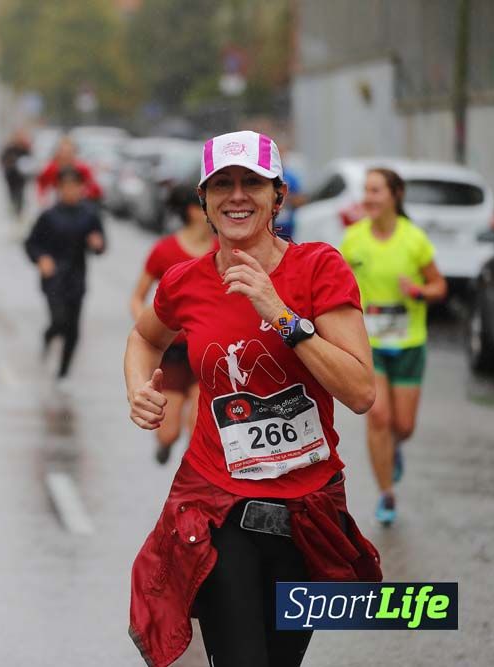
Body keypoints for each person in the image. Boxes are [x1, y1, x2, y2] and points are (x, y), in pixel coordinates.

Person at [124, 131, 382, 667]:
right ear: (204, 201)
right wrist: (137, 389)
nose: (236, 195)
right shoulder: (184, 282)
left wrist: (281, 314)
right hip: (217, 511)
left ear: (277, 196)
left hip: (306, 516)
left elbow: (359, 391)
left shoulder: (319, 269)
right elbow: (146, 336)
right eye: (222, 184)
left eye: (252, 183)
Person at [340, 167, 447, 525]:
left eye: (375, 190)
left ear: (395, 195)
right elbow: (336, 287)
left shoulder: (414, 239)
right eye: (365, 190)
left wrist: (418, 292)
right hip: (368, 344)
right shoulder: (353, 239)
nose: (368, 198)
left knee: (403, 425)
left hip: (409, 343)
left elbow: (438, 286)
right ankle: (386, 493)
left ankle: (395, 448)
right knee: (378, 416)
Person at [129, 185, 218, 464]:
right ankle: (166, 444)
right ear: (193, 211)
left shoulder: (223, 250)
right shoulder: (165, 251)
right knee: (168, 433)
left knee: (198, 431)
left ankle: (196, 474)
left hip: (209, 352)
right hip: (174, 354)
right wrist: (151, 328)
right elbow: (136, 297)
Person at [25, 167, 106, 380]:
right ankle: (48, 335)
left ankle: (63, 372)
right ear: (58, 189)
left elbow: (100, 244)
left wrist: (97, 245)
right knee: (59, 321)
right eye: (65, 187)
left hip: (76, 278)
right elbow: (31, 243)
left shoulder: (89, 216)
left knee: (73, 329)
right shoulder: (48, 216)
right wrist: (41, 258)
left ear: (82, 188)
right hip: (53, 279)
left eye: (75, 186)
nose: (70, 191)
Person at [35, 137, 103, 208]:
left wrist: (81, 193)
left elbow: (94, 188)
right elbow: (42, 185)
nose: (65, 155)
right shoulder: (51, 168)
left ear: (74, 152)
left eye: (68, 152)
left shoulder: (82, 168)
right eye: (63, 151)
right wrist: (43, 200)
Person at [0, 129, 31, 217]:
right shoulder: (9, 149)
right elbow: (3, 159)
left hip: (21, 176)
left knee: (21, 193)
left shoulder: (25, 148)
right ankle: (14, 208)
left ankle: (19, 210)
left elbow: (30, 160)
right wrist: (9, 163)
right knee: (12, 193)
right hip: (11, 176)